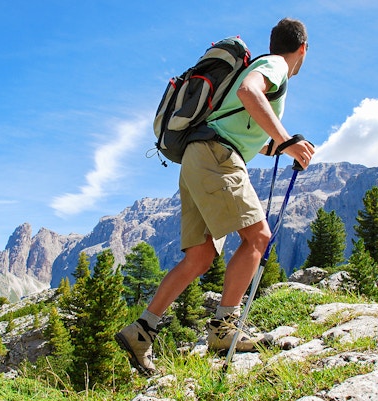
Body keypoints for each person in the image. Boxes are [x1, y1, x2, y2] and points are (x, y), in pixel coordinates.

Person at [115, 17, 315, 376]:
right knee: (259, 237)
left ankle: (140, 332)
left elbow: (246, 129)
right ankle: (224, 330)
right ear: (303, 48)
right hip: (215, 155)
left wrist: (282, 148)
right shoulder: (275, 66)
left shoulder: (260, 66)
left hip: (198, 155)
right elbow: (249, 94)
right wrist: (288, 140)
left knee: (200, 257)